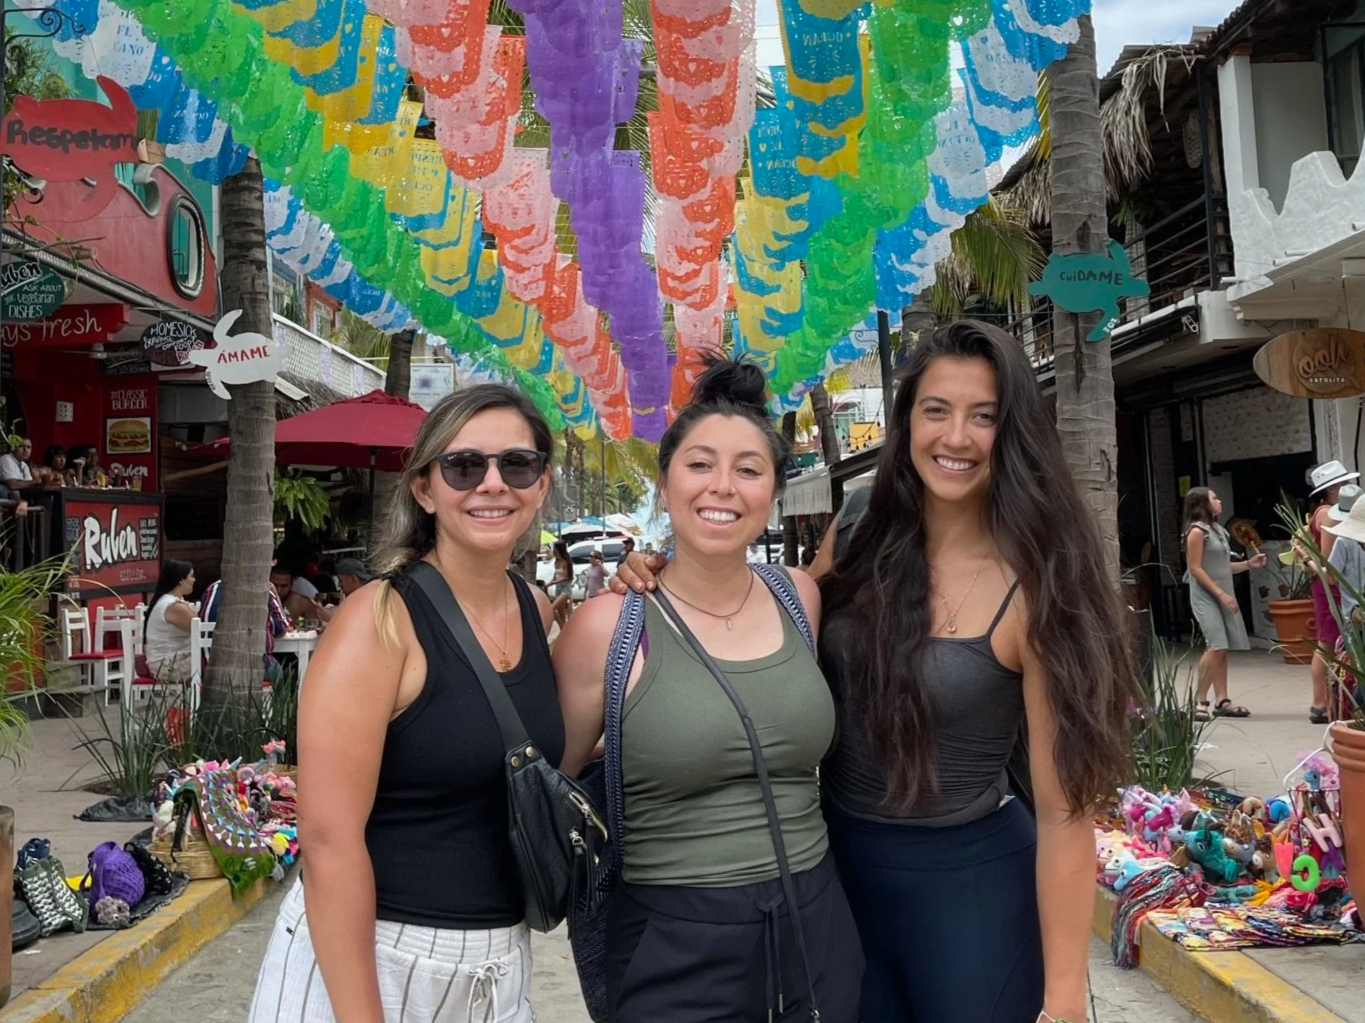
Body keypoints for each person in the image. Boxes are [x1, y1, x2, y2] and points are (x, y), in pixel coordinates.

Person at [619, 322, 1135, 1023]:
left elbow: (1063, 811)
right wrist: (658, 573)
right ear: (905, 419)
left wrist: (1066, 999)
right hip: (835, 884)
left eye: (982, 416)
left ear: (1011, 430)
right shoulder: (861, 523)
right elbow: (757, 611)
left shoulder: (1037, 578)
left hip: (971, 898)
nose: (955, 436)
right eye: (935, 410)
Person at [555, 358, 862, 1023]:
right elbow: (554, 785)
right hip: (674, 938)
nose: (721, 486)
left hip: (817, 924)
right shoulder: (607, 626)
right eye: (698, 464)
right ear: (664, 484)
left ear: (773, 491)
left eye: (748, 469)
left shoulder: (797, 595)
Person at [248, 384, 559, 1023]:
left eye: (517, 464)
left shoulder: (534, 608)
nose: (493, 483)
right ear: (425, 489)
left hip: (499, 969)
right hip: (376, 960)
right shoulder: (380, 621)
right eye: (464, 465)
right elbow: (329, 842)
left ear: (542, 483)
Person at [1184, 487, 1266, 721]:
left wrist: (1249, 564)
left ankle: (1222, 699)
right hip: (1206, 595)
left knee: (1222, 647)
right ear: (1202, 504)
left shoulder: (1219, 530)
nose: (1219, 501)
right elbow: (1196, 568)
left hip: (1221, 591)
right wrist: (1221, 594)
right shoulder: (1197, 531)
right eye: (1214, 498)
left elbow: (1223, 567)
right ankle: (1200, 702)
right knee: (1217, 644)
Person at [1303, 461, 1358, 723]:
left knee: (1331, 643)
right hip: (1334, 585)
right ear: (1332, 489)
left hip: (1335, 582)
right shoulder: (1329, 514)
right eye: (1342, 484)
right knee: (1329, 642)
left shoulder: (1324, 512)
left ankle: (1325, 701)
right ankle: (1321, 701)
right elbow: (1328, 564)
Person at [200, 576, 291, 681]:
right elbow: (281, 629)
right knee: (276, 670)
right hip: (254, 668)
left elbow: (203, 622)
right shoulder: (265, 591)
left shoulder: (211, 590)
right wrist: (275, 594)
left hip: (212, 667)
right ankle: (278, 698)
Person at [144, 560, 196, 682]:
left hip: (165, 662)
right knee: (215, 663)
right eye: (191, 576)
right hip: (168, 666)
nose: (194, 580)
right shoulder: (173, 606)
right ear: (181, 580)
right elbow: (201, 632)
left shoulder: (169, 600)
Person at [270, 566, 335, 624]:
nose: (278, 590)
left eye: (283, 586)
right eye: (275, 585)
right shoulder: (261, 602)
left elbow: (316, 626)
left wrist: (301, 624)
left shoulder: (303, 602)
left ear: (291, 585)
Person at [548, 541, 574, 626]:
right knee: (561, 614)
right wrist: (550, 582)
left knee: (551, 608)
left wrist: (554, 582)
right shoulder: (557, 561)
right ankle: (563, 631)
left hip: (565, 589)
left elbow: (568, 577)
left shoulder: (566, 562)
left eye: (555, 548)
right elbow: (555, 575)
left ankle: (563, 630)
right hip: (558, 588)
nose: (553, 550)